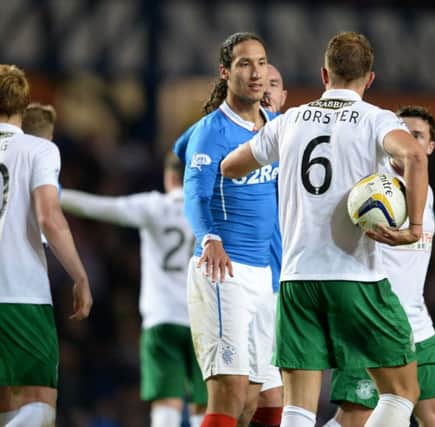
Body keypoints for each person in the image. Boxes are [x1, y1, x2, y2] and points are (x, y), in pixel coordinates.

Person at [221, 32, 429, 427]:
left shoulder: (291, 120)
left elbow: (230, 167)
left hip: (297, 279)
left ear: (324, 74)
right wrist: (413, 227)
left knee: (298, 408)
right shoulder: (376, 119)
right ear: (370, 79)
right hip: (356, 277)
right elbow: (415, 155)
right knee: (401, 392)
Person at [174, 32, 280, 427]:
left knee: (263, 399)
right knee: (230, 391)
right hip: (223, 271)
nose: (256, 73)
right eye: (244, 64)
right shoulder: (211, 131)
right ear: (225, 72)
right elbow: (194, 195)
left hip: (264, 277)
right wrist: (210, 238)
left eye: (262, 63)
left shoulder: (275, 127)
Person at [324, 106, 435, 427]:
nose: (407, 141)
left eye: (417, 136)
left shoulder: (427, 194)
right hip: (372, 319)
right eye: (402, 134)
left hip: (416, 321)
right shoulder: (371, 187)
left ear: (430, 146)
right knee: (357, 415)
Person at [59, 153, 207, 427]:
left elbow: (100, 207)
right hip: (202, 320)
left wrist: (54, 194)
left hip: (161, 320)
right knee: (203, 402)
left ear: (170, 177)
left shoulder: (153, 206)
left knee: (166, 400)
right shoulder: (208, 210)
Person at [0, 64, 93, 427]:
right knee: (38, 402)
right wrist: (80, 275)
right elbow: (49, 218)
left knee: (6, 403)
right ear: (24, 103)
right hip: (22, 295)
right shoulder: (39, 150)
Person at [251, 63, 288, 427]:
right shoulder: (236, 141)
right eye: (261, 83)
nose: (266, 89)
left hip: (287, 285)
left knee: (275, 397)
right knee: (256, 395)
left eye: (273, 84)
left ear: (283, 97)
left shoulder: (296, 140)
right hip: (249, 281)